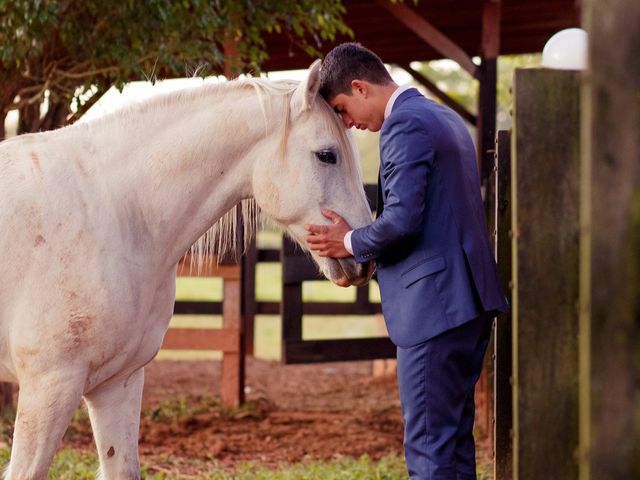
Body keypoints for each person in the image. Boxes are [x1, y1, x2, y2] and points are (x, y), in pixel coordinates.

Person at [305, 43, 508, 480]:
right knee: (453, 442)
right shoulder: (444, 118)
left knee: (430, 449)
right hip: (466, 304)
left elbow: (402, 222)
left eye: (342, 109)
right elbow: (435, 216)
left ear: (360, 87)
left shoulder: (405, 125)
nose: (349, 124)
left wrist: (349, 240)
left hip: (434, 309)